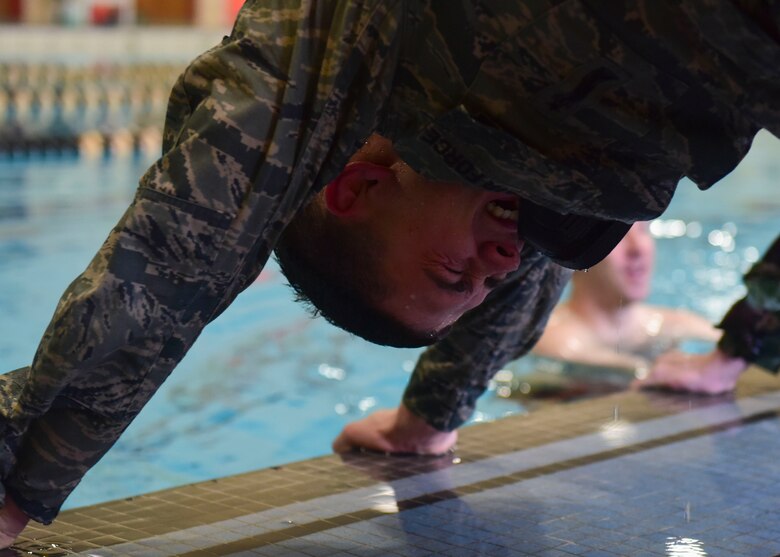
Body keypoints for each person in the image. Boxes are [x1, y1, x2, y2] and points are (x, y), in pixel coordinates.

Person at [1, 0, 779, 546]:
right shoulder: (546, 192)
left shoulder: (351, 27)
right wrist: (431, 418)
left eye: (451, 272)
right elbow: (529, 267)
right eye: (484, 282)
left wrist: (18, 481)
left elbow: (186, 248)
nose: (504, 260)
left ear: (359, 189)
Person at [532, 222, 720, 374]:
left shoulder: (677, 323)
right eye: (617, 238)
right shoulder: (551, 337)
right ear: (572, 256)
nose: (637, 249)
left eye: (643, 230)